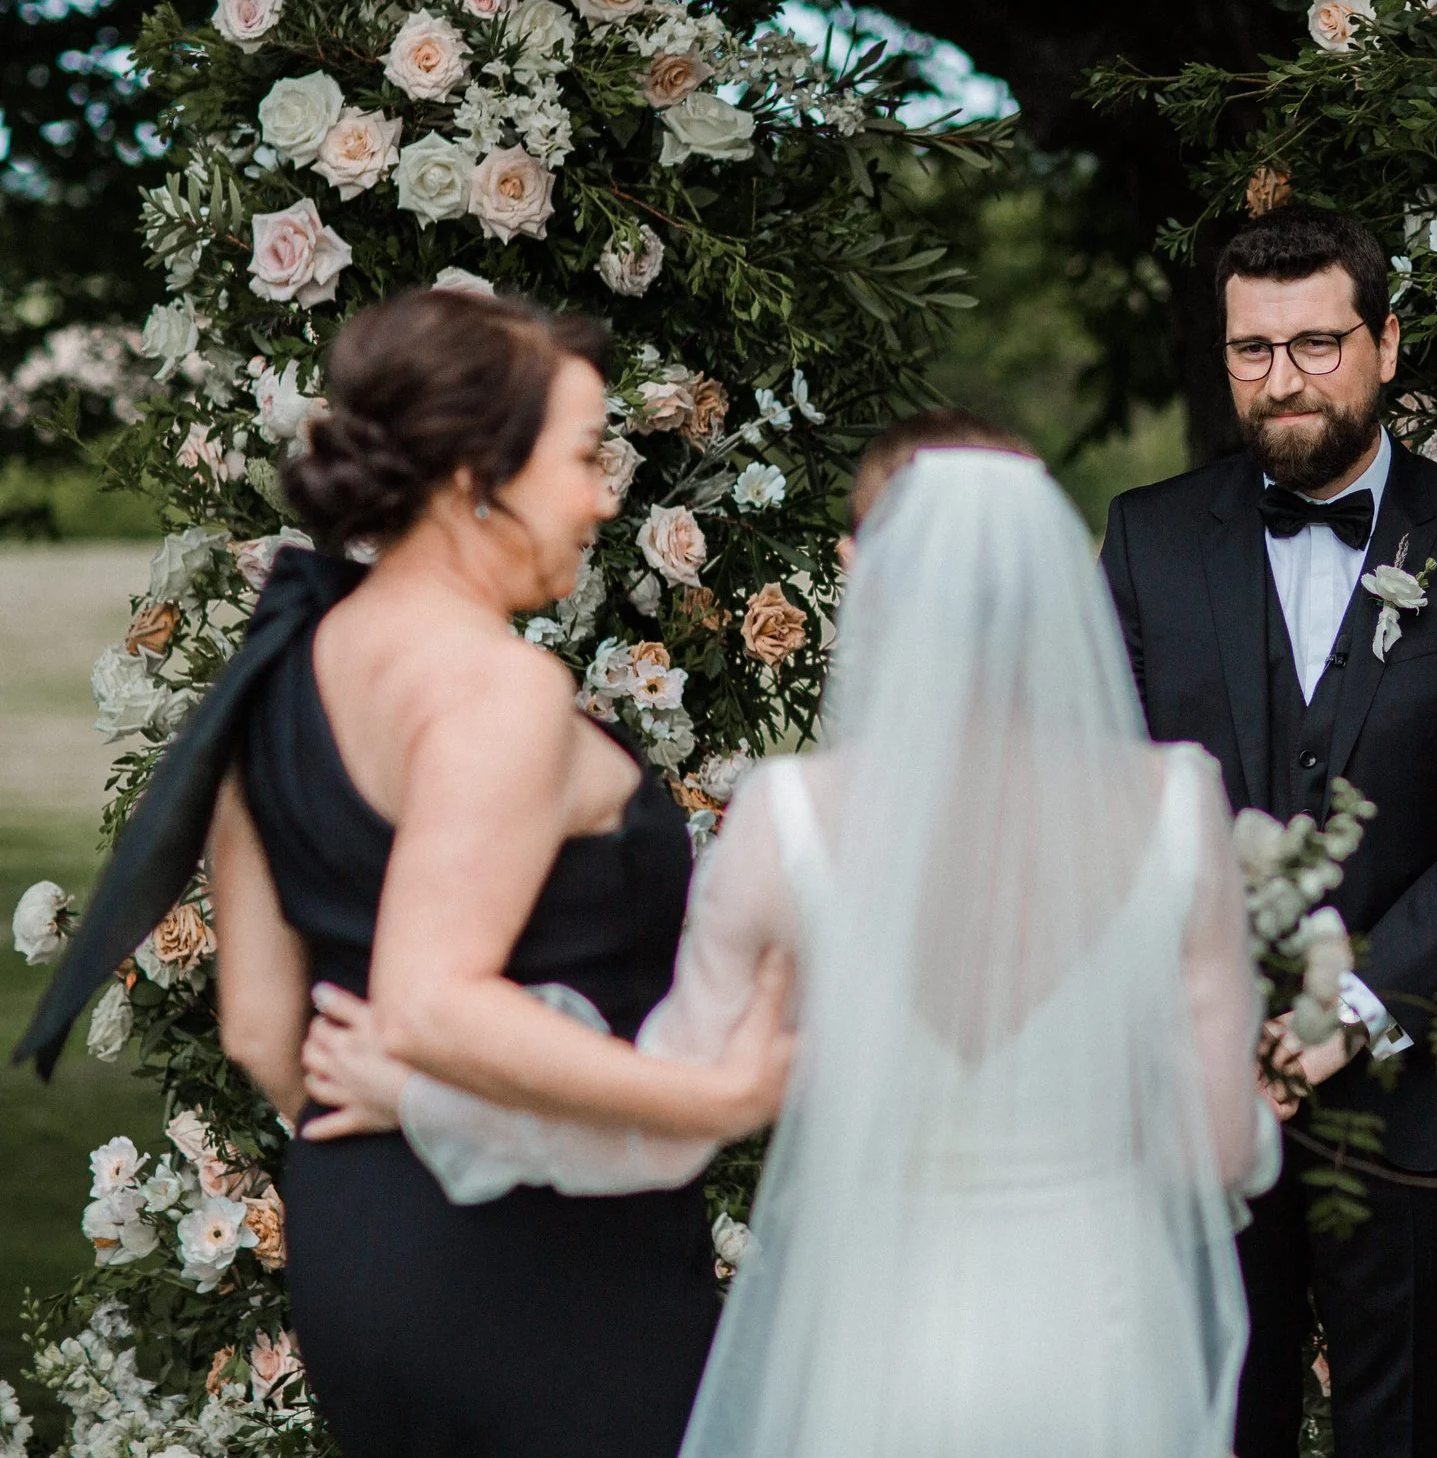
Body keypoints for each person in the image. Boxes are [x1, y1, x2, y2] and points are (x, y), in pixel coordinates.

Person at [305, 419, 1278, 1458]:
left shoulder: (795, 818)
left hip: (873, 1352)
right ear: (1053, 573)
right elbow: (1210, 1146)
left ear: (859, 568)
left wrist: (423, 1093)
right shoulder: (1179, 803)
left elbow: (672, 1117)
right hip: (1101, 1345)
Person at [189, 289, 797, 1458]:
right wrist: (718, 1101)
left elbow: (263, 1029)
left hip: (361, 1244)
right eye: (582, 455)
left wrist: (396, 1134)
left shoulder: (278, 669)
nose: (605, 493)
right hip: (538, 1264)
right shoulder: (494, 687)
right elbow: (429, 998)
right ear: (478, 471)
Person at [1100, 205, 1437, 1458]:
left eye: (1316, 344)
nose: (1284, 379)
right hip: (1198, 1092)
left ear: (1386, 344)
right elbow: (1108, 802)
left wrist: (1352, 1003)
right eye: (1252, 350)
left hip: (1412, 1095)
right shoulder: (1148, 538)